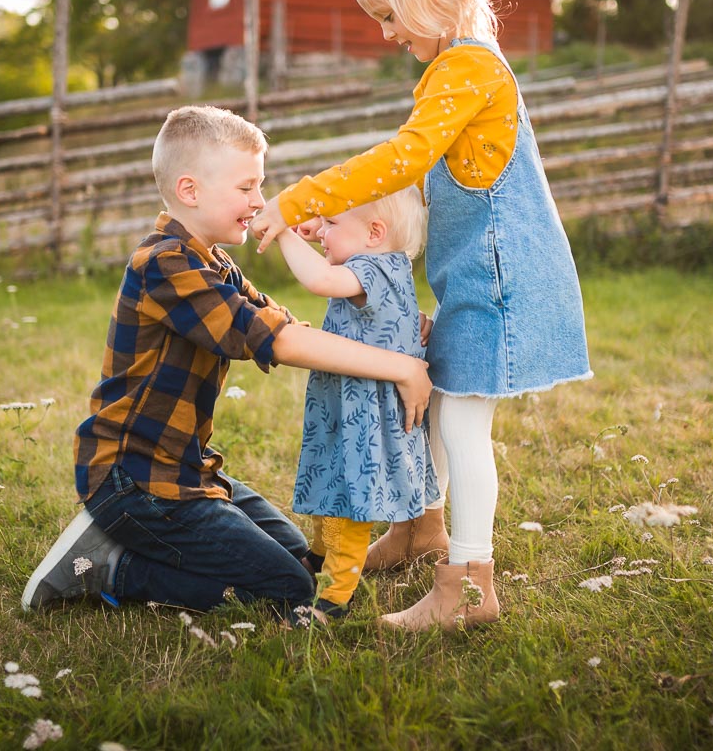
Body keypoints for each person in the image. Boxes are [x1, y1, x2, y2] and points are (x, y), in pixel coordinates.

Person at [249, 0, 592, 631]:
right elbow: (410, 190)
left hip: (504, 287)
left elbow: (403, 156)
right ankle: (419, 529)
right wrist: (342, 226)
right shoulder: (455, 67)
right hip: (476, 284)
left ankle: (466, 588)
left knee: (463, 423)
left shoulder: (467, 67)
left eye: (388, 14)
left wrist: (299, 197)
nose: (386, 34)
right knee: (434, 402)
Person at [21, 106, 432, 619]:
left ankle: (142, 543)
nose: (260, 201)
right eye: (247, 188)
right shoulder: (164, 265)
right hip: (135, 479)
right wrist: (400, 368)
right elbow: (274, 341)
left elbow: (282, 325)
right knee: (288, 588)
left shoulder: (214, 262)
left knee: (299, 560)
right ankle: (111, 566)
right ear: (191, 191)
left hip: (184, 471)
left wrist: (391, 330)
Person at [273, 187, 438, 625]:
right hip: (351, 409)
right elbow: (335, 259)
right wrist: (311, 229)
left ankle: (332, 598)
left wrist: (282, 231)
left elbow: (318, 280)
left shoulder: (372, 270)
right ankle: (319, 554)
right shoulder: (387, 263)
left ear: (374, 233)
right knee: (332, 483)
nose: (321, 233)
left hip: (362, 418)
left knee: (350, 504)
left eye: (331, 224)